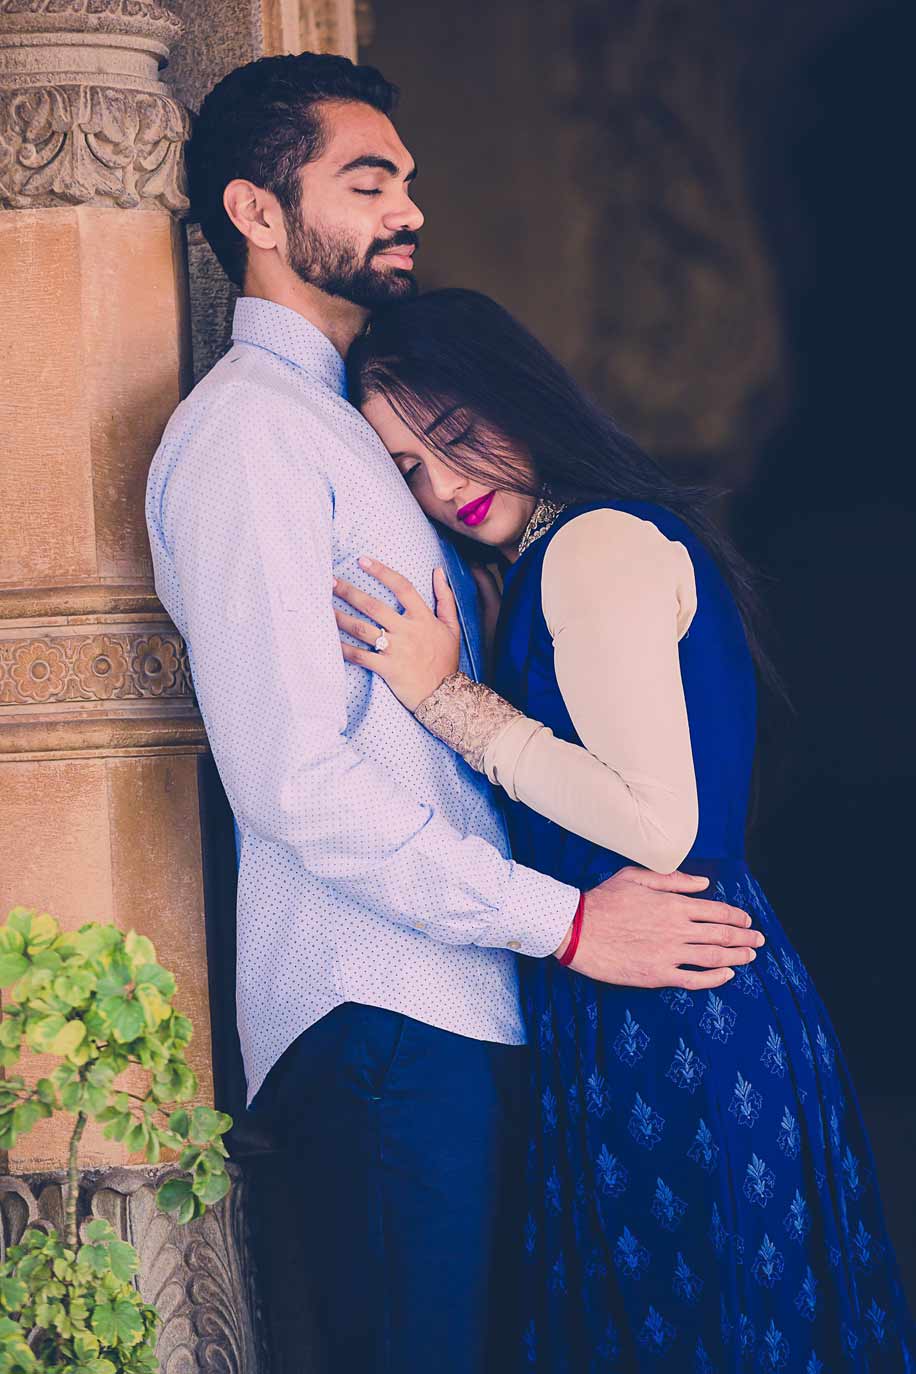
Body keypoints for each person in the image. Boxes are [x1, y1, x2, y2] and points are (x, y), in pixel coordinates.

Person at [144, 52, 760, 1374]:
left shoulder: (353, 428)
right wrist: (570, 922)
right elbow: (295, 781)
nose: (409, 209)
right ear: (258, 211)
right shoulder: (251, 434)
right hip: (383, 1016)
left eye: (408, 182)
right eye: (368, 182)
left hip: (462, 1004)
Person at [338, 287, 915, 1372]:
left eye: (456, 434)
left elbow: (656, 823)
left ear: (517, 395)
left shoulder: (594, 545)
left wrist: (446, 698)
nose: (446, 484)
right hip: (660, 993)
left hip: (676, 1016)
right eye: (408, 467)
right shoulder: (558, 553)